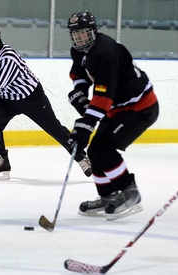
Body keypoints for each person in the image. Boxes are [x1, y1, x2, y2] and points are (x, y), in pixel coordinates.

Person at [66, 11, 159, 220]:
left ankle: (130, 193)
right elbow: (79, 75)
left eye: (83, 33)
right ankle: (108, 195)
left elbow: (103, 95)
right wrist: (80, 94)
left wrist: (87, 123)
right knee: (95, 151)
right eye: (75, 34)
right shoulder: (79, 51)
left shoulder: (104, 51)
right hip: (117, 108)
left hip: (140, 107)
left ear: (93, 31)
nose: (79, 38)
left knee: (103, 147)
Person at [0, 23, 92, 180]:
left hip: (31, 98)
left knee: (54, 128)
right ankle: (2, 161)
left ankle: (82, 158)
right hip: (7, 99)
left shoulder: (8, 57)